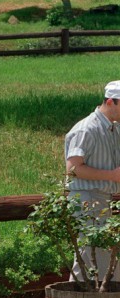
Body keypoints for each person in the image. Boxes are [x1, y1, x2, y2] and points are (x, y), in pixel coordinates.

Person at [65, 80, 120, 282]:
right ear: (111, 102)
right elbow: (72, 169)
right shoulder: (86, 129)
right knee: (88, 258)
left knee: (104, 259)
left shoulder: (113, 129)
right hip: (86, 199)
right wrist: (112, 176)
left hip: (102, 199)